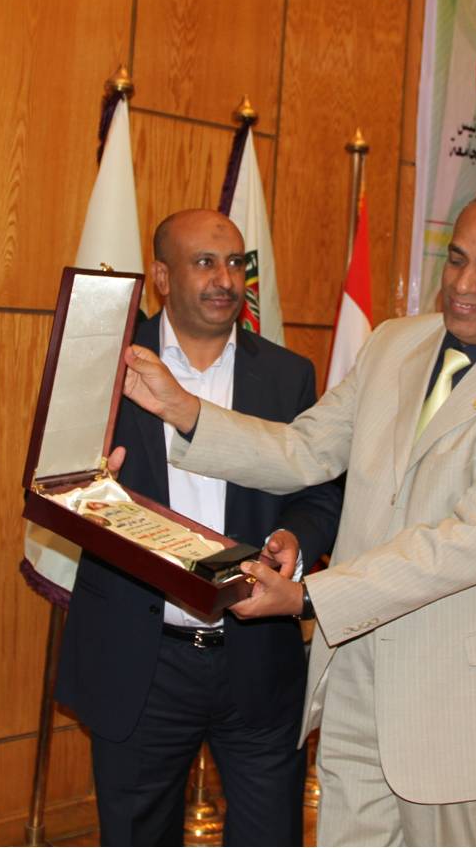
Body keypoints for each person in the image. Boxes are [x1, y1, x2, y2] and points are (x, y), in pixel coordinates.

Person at [122, 192, 476, 846]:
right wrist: (184, 411)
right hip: (356, 680)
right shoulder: (394, 343)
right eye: (456, 260)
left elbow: (467, 545)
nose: (463, 285)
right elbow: (305, 449)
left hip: (466, 698)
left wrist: (307, 598)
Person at [55, 209, 341, 845]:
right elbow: (55, 480)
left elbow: (320, 491)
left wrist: (297, 543)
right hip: (141, 658)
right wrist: (90, 495)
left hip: (259, 658)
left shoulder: (287, 374)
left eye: (236, 263)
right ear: (161, 277)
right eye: (205, 262)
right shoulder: (105, 360)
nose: (226, 279)